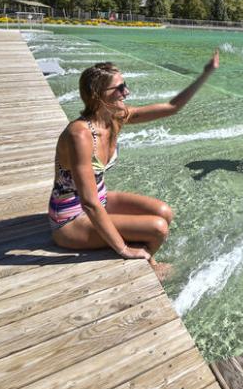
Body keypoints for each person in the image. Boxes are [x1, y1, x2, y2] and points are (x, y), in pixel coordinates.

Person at [48, 50, 219, 263]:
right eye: (119, 88)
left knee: (164, 212)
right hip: (71, 218)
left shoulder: (116, 118)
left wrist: (205, 74)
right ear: (97, 94)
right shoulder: (79, 134)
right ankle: (148, 262)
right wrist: (123, 249)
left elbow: (171, 107)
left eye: (125, 84)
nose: (127, 92)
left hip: (100, 200)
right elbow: (89, 204)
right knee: (157, 228)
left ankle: (145, 256)